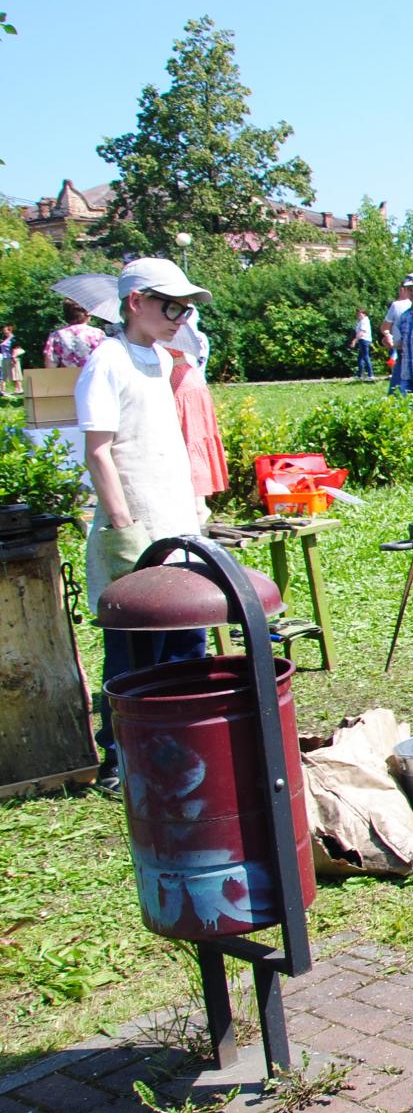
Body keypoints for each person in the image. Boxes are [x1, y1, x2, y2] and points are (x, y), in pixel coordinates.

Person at [75, 258, 213, 792]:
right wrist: (123, 525)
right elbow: (99, 453)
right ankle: (122, 758)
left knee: (187, 641)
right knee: (136, 651)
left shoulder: (160, 358)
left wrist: (194, 506)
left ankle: (179, 743)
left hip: (176, 520)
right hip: (136, 526)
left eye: (186, 308)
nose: (181, 316)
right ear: (135, 303)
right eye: (171, 305)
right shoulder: (105, 362)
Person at [162, 306, 225, 517]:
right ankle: (196, 503)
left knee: (188, 442)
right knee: (194, 440)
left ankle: (197, 505)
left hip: (180, 384)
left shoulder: (172, 336)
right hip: (195, 385)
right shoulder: (200, 337)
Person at [44, 301, 106, 369]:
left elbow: (50, 363)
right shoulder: (98, 334)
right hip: (91, 376)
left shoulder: (56, 335)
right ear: (87, 313)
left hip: (67, 376)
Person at [381, 279, 412, 391]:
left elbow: (384, 328)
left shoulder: (396, 305)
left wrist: (387, 335)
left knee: (397, 383)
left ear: (402, 290)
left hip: (400, 346)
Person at [351, 308, 374, 379]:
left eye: (360, 313)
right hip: (362, 340)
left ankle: (370, 375)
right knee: (360, 358)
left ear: (364, 314)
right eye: (357, 314)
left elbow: (361, 332)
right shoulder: (361, 321)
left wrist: (354, 340)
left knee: (365, 357)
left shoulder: (364, 321)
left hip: (364, 340)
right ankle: (360, 374)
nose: (358, 315)